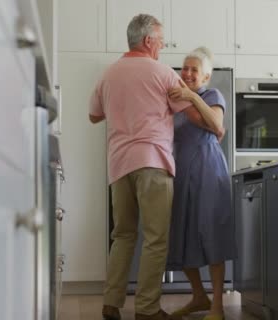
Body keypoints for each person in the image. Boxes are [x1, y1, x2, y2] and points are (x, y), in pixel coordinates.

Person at [88, 14, 210, 320]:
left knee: (123, 235)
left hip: (118, 165)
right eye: (161, 40)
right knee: (156, 239)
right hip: (153, 162)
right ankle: (146, 309)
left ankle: (111, 303)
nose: (163, 45)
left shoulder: (109, 74)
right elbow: (193, 113)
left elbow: (93, 115)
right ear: (148, 41)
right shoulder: (163, 73)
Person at [166, 47, 236, 320]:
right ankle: (199, 297)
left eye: (194, 69)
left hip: (208, 171)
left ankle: (217, 305)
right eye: (185, 68)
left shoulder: (211, 95)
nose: (188, 73)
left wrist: (191, 96)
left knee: (212, 235)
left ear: (206, 77)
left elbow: (218, 126)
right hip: (181, 173)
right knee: (180, 236)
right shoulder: (176, 102)